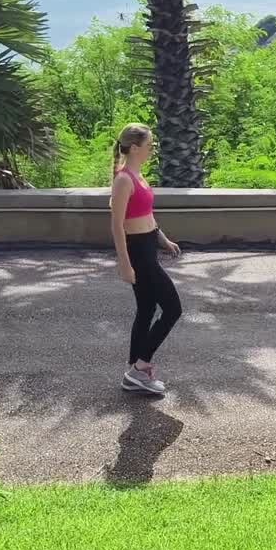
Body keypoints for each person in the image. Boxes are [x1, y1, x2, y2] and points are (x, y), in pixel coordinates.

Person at [109, 123, 183, 395]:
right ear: (135, 147)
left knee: (147, 310)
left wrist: (163, 239)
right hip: (138, 253)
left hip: (149, 245)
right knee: (173, 309)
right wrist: (125, 264)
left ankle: (133, 372)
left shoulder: (139, 177)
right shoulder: (123, 179)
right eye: (149, 144)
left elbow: (146, 216)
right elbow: (117, 226)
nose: (153, 148)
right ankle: (140, 368)